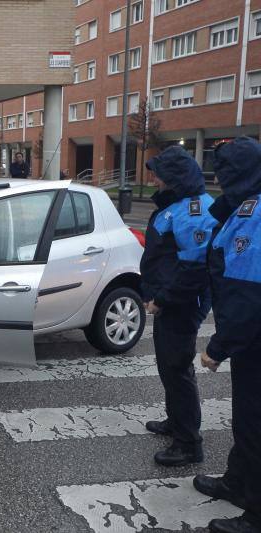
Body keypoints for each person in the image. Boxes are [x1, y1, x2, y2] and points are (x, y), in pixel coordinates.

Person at [194, 137, 261, 533]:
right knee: (246, 420)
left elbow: (246, 294)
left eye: (224, 173)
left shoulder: (254, 215)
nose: (218, 178)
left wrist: (218, 348)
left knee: (255, 425)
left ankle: (256, 515)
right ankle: (237, 483)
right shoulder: (244, 205)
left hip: (253, 338)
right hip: (251, 337)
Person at [139, 145, 217, 467]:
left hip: (180, 303)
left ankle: (188, 443)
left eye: (158, 173)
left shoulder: (195, 210)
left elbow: (193, 270)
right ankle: (177, 422)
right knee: (169, 366)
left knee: (177, 367)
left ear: (175, 177)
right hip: (170, 301)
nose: (153, 178)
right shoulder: (180, 205)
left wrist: (161, 299)